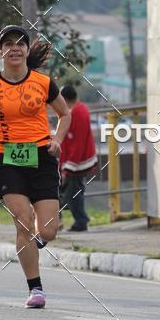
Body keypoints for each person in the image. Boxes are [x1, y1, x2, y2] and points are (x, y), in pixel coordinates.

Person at [0, 25, 71, 308]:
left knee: (47, 231)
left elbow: (64, 114)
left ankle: (34, 243)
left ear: (26, 50)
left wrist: (57, 139)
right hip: (8, 159)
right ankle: (35, 289)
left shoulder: (43, 83)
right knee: (23, 222)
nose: (14, 48)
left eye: (20, 44)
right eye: (8, 44)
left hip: (42, 157)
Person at [59, 84, 97, 232]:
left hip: (77, 162)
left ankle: (81, 221)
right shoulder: (78, 110)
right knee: (74, 192)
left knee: (73, 193)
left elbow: (77, 142)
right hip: (76, 161)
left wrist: (68, 166)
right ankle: (80, 220)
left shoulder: (78, 113)